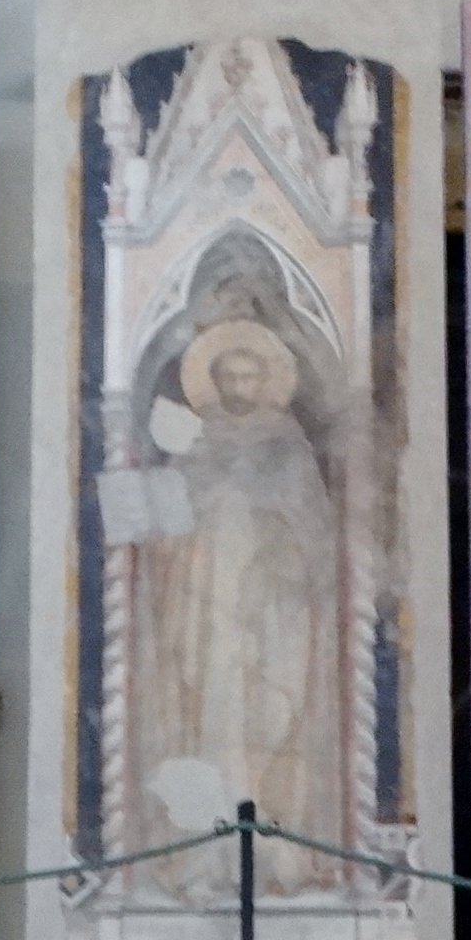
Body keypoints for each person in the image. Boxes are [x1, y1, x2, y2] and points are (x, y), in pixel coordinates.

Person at [135, 315, 341, 894]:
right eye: (229, 375)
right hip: (208, 606)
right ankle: (206, 841)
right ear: (215, 380)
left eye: (250, 376)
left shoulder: (287, 442)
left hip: (272, 603)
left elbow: (315, 526)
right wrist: (207, 514)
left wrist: (275, 533)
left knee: (276, 711)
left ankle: (276, 832)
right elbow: (167, 518)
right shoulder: (196, 440)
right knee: (211, 708)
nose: (240, 387)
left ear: (267, 380)